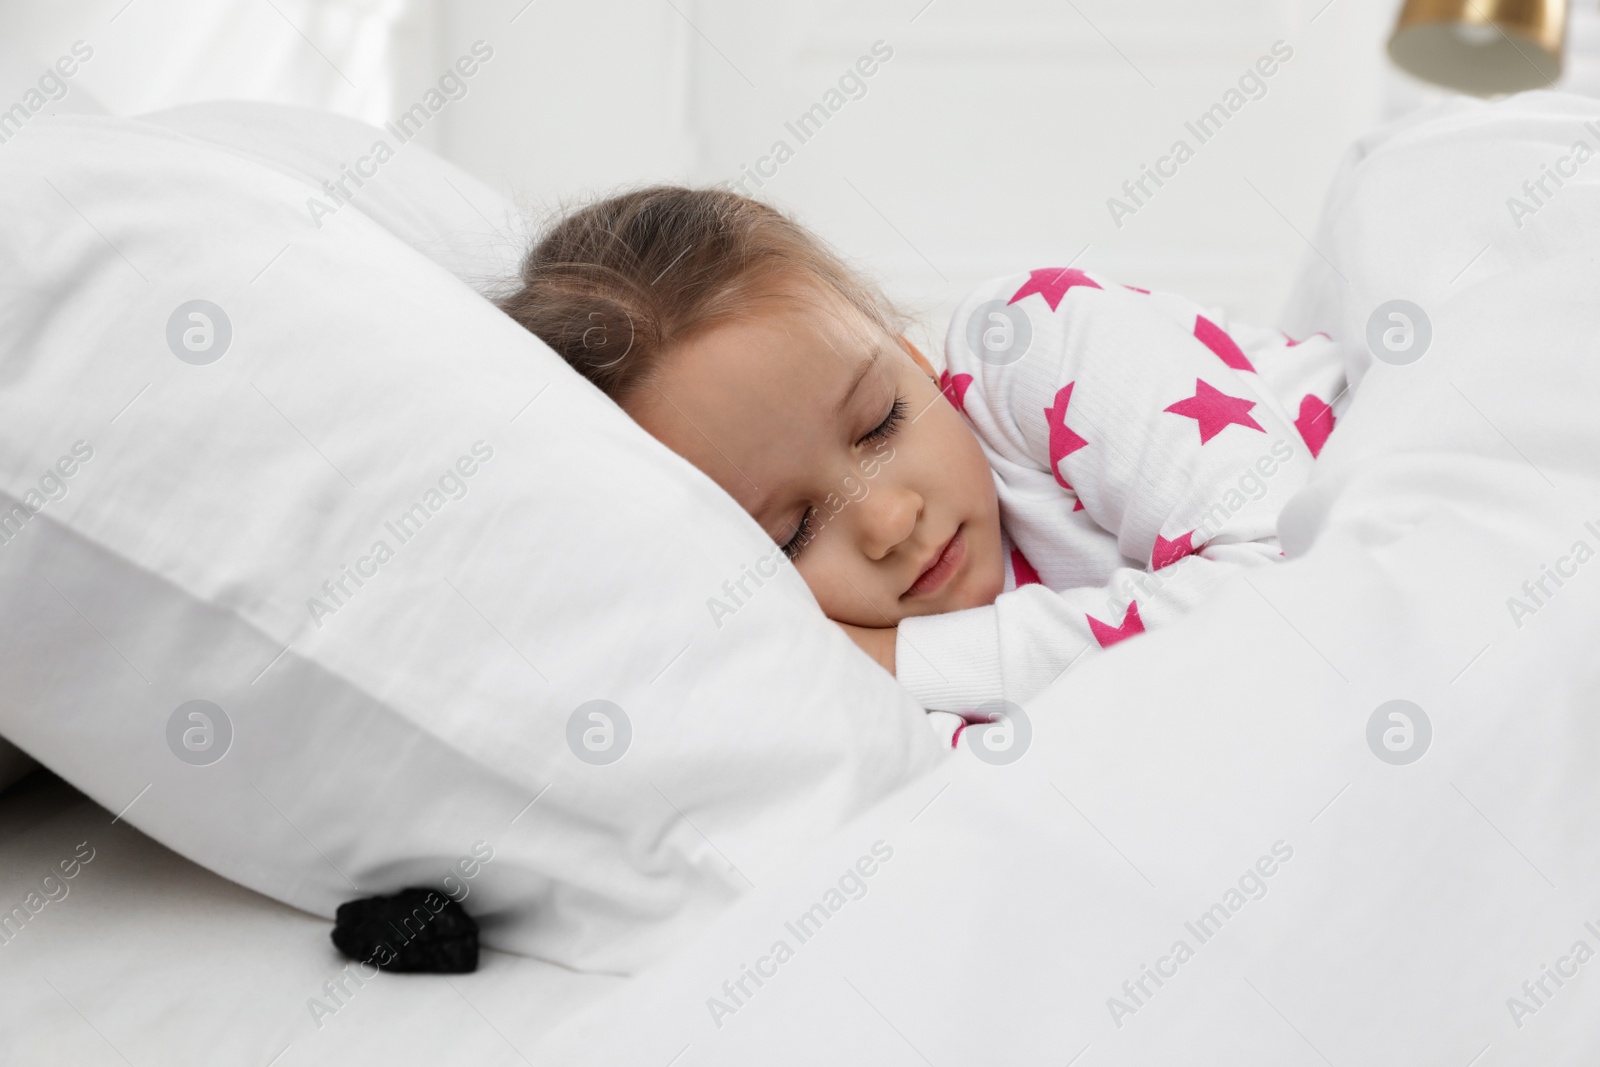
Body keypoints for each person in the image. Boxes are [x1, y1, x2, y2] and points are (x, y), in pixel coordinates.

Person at [497, 185, 1345, 714]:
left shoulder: (1031, 342)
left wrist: (905, 661)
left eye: (879, 423)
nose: (890, 519)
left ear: (909, 358)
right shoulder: (829, 669)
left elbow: (1289, 587)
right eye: (791, 533)